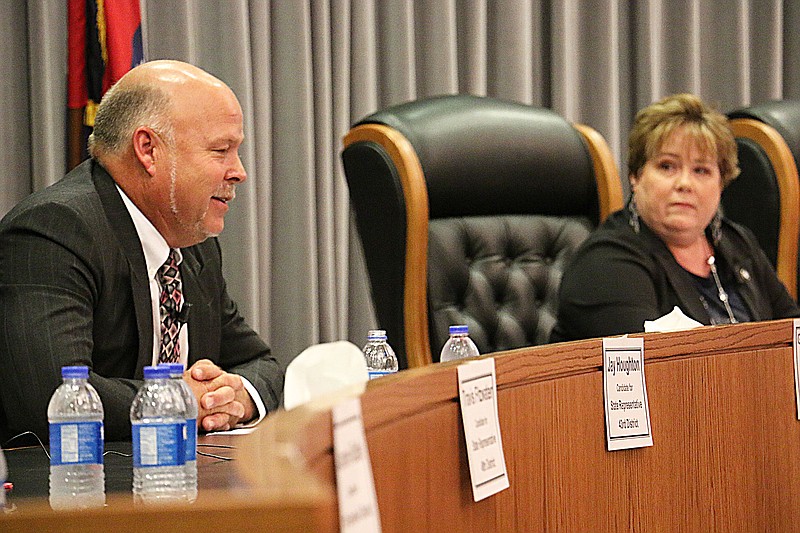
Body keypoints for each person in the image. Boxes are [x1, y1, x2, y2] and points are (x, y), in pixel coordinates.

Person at [0, 60, 284, 443]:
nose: (239, 172)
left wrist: (235, 396)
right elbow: (53, 396)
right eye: (221, 150)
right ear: (148, 150)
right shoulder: (55, 231)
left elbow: (260, 364)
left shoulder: (193, 242)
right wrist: (180, 401)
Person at [551, 93, 800, 342]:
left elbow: (793, 337)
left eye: (701, 170)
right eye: (667, 166)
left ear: (721, 184)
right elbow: (651, 372)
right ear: (636, 176)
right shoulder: (605, 264)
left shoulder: (738, 243)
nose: (684, 183)